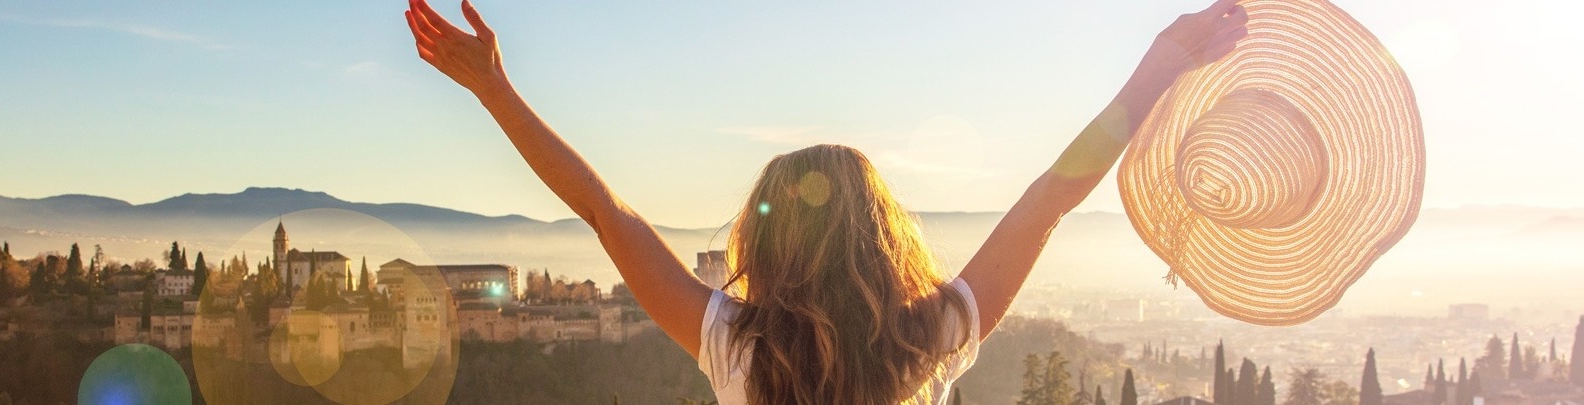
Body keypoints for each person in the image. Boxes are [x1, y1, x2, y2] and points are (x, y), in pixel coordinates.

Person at [405, 1, 1247, 403]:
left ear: (769, 246)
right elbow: (1050, 199)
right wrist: (1158, 67)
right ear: (881, 239)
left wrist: (494, 89)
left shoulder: (733, 345)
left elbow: (598, 206)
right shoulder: (935, 337)